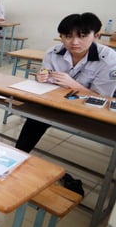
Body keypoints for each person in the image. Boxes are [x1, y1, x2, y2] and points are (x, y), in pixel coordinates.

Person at [15, 13, 116, 153]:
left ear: (96, 36)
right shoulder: (53, 53)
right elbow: (46, 77)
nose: (74, 42)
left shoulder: (109, 59)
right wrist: (41, 78)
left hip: (91, 107)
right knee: (36, 117)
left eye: (82, 36)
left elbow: (103, 98)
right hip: (59, 101)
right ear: (61, 36)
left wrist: (72, 84)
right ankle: (17, 155)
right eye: (68, 36)